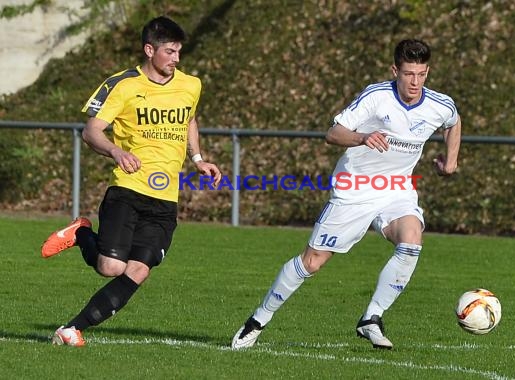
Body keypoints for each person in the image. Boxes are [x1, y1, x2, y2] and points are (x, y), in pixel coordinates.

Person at [231, 39, 461, 350]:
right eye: (408, 74)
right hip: (354, 189)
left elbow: (453, 120)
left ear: (428, 71)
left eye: (421, 74)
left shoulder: (438, 104)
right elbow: (333, 133)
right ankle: (258, 320)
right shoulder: (376, 96)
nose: (415, 82)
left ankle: (371, 318)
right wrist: (363, 137)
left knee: (411, 240)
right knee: (312, 262)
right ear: (395, 71)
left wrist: (450, 162)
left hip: (396, 190)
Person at [41, 16, 221, 346]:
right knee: (110, 267)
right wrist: (115, 151)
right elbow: (92, 131)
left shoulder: (191, 85)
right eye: (169, 52)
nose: (176, 59)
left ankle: (72, 329)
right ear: (149, 50)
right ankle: (81, 233)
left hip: (166, 200)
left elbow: (190, 118)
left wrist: (197, 159)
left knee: (138, 270)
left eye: (179, 52)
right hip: (128, 189)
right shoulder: (123, 85)